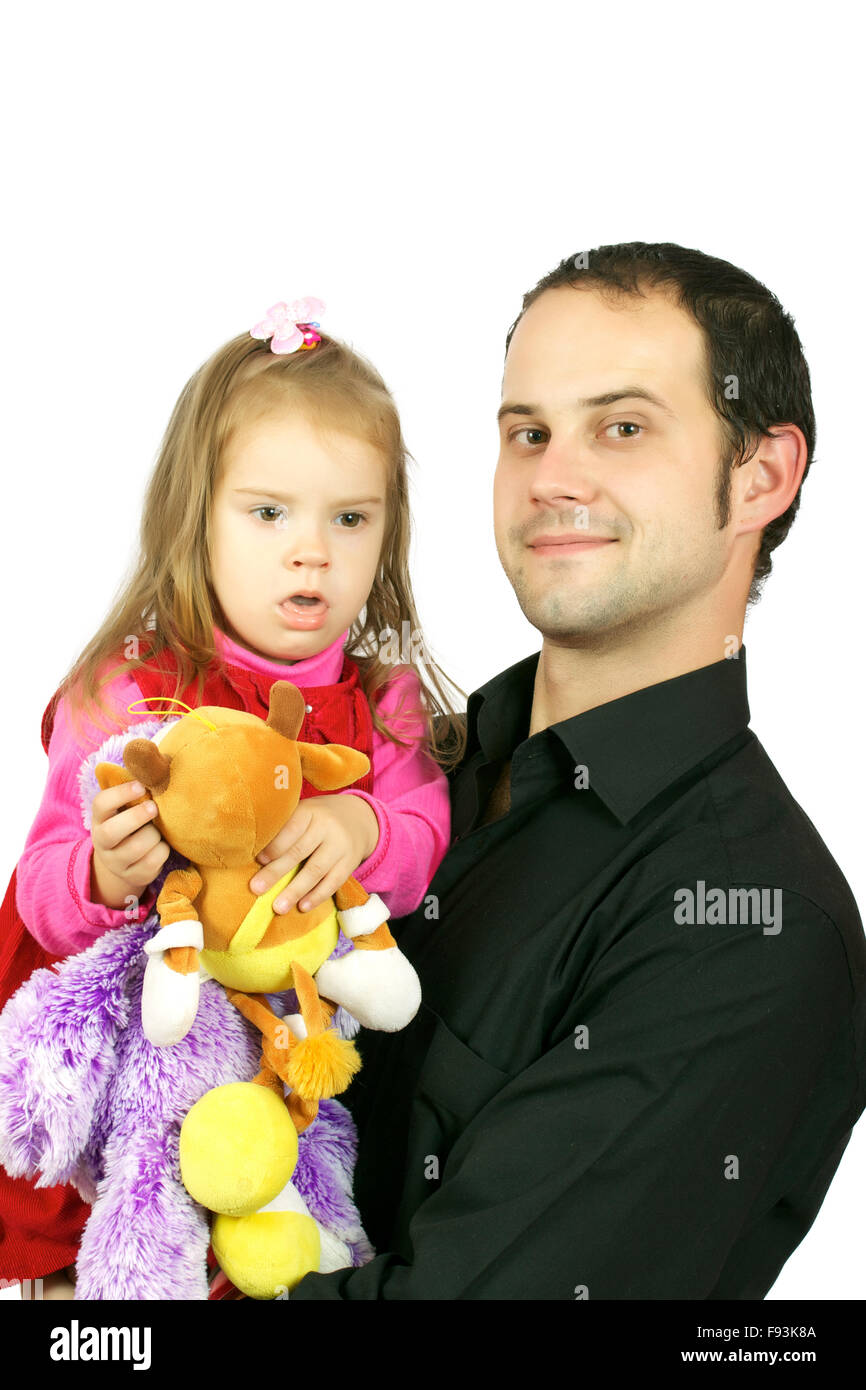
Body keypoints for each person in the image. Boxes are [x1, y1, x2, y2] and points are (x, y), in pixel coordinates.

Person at [282, 243, 865, 1300]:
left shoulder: (749, 927)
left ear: (760, 476)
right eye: (527, 431)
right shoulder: (392, 769)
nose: (551, 475)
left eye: (623, 427)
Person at [0, 299, 465, 1298]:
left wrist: (362, 821)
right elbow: (37, 891)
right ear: (194, 515)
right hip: (144, 1081)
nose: (313, 551)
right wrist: (101, 871)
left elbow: (428, 834)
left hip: (290, 1077)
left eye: (350, 518)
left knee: (289, 1255)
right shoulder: (131, 688)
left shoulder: (378, 699)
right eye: (268, 513)